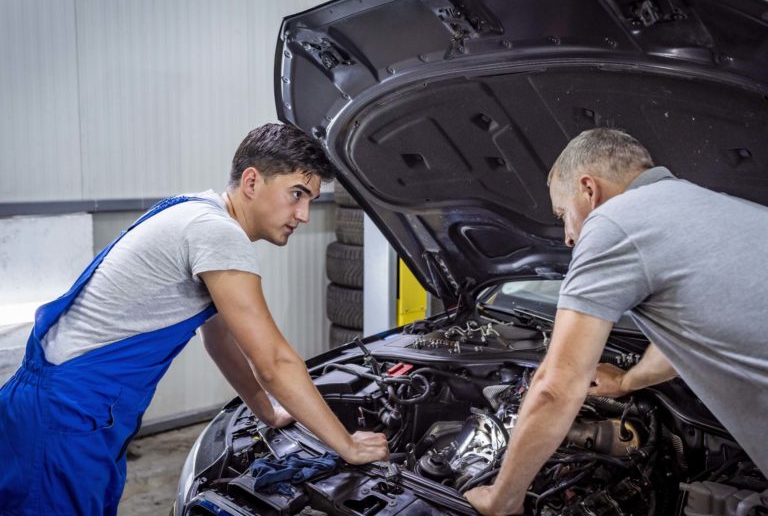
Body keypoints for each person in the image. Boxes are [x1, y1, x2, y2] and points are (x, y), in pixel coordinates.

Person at [0, 123, 389, 515]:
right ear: (252, 181)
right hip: (65, 415)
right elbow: (274, 362)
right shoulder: (217, 233)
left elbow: (219, 341)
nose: (304, 214)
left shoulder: (193, 210)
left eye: (310, 199)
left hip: (69, 408)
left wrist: (267, 412)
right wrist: (347, 445)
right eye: (297, 195)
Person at [465, 127, 768, 515]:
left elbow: (556, 388)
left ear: (589, 190)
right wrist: (627, 381)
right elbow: (691, 332)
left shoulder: (613, 221)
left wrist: (502, 498)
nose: (567, 237)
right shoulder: (715, 206)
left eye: (562, 214)